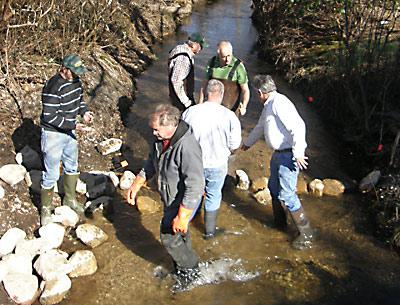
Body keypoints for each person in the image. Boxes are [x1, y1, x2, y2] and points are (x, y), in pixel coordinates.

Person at [127, 104, 205, 285]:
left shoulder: (187, 147)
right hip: (170, 197)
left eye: (156, 129)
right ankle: (181, 268)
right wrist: (138, 181)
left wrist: (183, 216)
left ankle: (191, 272)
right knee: (179, 235)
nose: (153, 133)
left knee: (168, 236)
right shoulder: (160, 141)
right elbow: (151, 162)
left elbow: (195, 184)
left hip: (183, 200)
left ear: (170, 125)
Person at [241, 75, 314, 250]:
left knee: (288, 195)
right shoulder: (269, 105)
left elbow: (298, 126)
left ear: (260, 92)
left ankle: (307, 234)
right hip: (278, 155)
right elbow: (260, 126)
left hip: (288, 155)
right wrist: (247, 144)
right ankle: (280, 224)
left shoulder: (279, 103)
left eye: (256, 93)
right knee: (274, 189)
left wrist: (298, 152)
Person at [182, 79, 241, 239]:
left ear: (205, 93)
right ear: (221, 94)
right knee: (213, 195)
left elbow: (181, 139)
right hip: (217, 163)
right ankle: (209, 232)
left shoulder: (190, 112)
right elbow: (235, 144)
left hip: (193, 163)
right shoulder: (229, 116)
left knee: (191, 193)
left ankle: (183, 229)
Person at [40, 54, 93, 226]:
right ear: (65, 69)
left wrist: (84, 112)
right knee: (52, 174)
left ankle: (69, 199)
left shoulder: (76, 82)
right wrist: (73, 125)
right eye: (75, 72)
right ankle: (45, 210)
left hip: (69, 132)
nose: (78, 76)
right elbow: (49, 117)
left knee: (72, 165)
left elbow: (79, 101)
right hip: (53, 135)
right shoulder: (53, 87)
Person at [200, 41, 250, 116]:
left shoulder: (238, 67)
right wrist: (200, 104)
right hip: (213, 110)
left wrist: (244, 106)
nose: (227, 60)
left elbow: (245, 90)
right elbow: (204, 85)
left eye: (229, 56)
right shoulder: (212, 63)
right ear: (218, 54)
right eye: (224, 57)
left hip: (231, 111)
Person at [168, 32, 207, 111]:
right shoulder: (184, 59)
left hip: (176, 97)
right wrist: (187, 103)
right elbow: (176, 81)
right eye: (201, 46)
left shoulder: (178, 48)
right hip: (181, 101)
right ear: (194, 45)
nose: (201, 49)